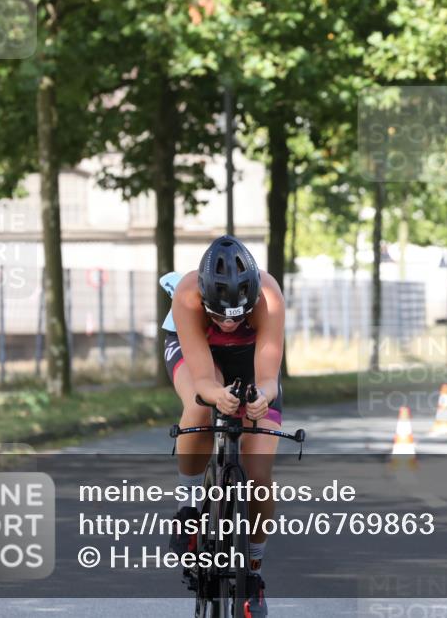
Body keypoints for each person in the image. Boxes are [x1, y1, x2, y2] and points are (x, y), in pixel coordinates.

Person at [162, 235, 284, 617]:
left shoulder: (269, 296)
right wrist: (216, 395)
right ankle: (188, 506)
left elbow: (267, 376)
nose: (228, 324)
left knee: (259, 476)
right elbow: (203, 382)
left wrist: (261, 397)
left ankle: (254, 570)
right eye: (218, 315)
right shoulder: (186, 295)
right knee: (200, 410)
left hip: (250, 360)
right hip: (198, 353)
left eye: (237, 316)